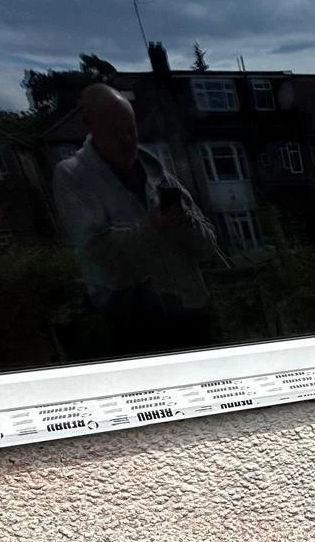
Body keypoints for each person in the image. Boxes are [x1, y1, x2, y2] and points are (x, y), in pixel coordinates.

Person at [53, 83, 220, 352]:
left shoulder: (157, 172)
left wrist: (183, 222)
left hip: (193, 314)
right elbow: (99, 254)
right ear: (91, 127)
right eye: (115, 131)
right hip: (141, 330)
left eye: (130, 129)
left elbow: (208, 246)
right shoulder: (73, 177)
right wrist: (153, 229)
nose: (127, 140)